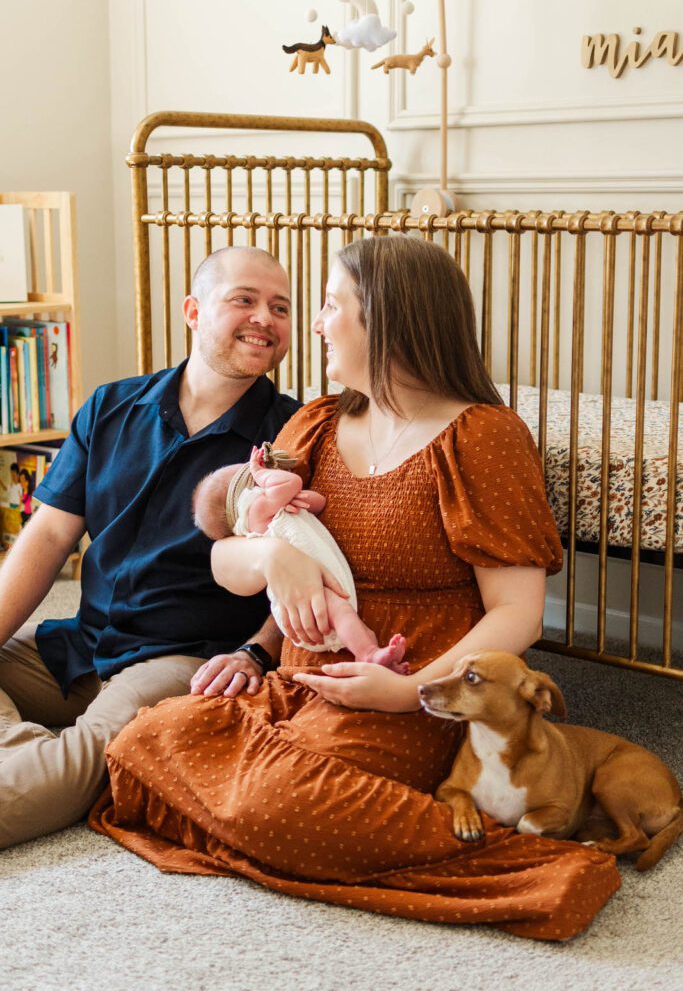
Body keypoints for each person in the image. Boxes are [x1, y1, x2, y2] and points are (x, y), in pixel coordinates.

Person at [90, 237, 620, 941]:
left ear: (388, 318)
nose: (312, 322)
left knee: (271, 803)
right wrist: (271, 565)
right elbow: (223, 558)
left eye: (329, 305)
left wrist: (411, 691)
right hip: (299, 684)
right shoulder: (315, 421)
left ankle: (508, 848)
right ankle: (298, 819)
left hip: (411, 700)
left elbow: (516, 611)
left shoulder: (481, 438)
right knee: (141, 742)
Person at [0, 246, 303, 848]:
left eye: (281, 307)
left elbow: (306, 568)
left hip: (185, 659)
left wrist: (256, 654)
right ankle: (28, 751)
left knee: (81, 764)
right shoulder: (110, 406)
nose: (264, 318)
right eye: (244, 299)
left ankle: (52, 764)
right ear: (193, 310)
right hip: (83, 644)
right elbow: (50, 536)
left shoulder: (295, 435)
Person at [192, 442, 407, 671]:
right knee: (342, 612)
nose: (259, 474)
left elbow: (320, 503)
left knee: (352, 620)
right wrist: (260, 471)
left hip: (316, 587)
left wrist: (299, 498)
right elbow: (291, 481)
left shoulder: (274, 508)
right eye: (249, 475)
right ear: (241, 498)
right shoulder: (255, 513)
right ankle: (368, 654)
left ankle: (384, 662)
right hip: (309, 604)